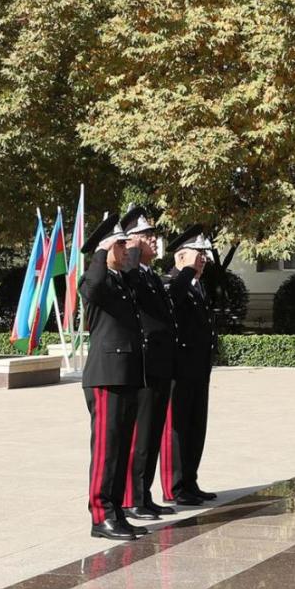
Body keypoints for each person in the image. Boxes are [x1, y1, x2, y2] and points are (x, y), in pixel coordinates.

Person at [79, 213, 147, 541]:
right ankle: (100, 515)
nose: (125, 250)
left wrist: (130, 250)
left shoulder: (121, 282)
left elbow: (136, 275)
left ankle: (116, 511)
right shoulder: (96, 282)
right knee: (106, 449)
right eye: (120, 245)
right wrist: (101, 252)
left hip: (127, 374)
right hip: (106, 376)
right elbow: (93, 284)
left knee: (120, 448)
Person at [118, 206, 177, 521]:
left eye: (154, 235)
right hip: (142, 364)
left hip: (159, 364)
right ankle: (132, 497)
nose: (155, 241)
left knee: (152, 434)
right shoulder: (130, 271)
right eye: (148, 236)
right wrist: (129, 251)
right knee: (138, 435)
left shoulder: (150, 275)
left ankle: (145, 493)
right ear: (131, 241)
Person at [160, 226, 218, 506]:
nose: (202, 260)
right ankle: (174, 486)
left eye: (204, 256)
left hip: (198, 368)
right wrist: (184, 271)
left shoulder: (197, 285)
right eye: (197, 255)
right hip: (178, 370)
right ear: (181, 257)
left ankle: (190, 481)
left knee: (196, 427)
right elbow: (172, 303)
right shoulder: (171, 281)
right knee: (176, 429)